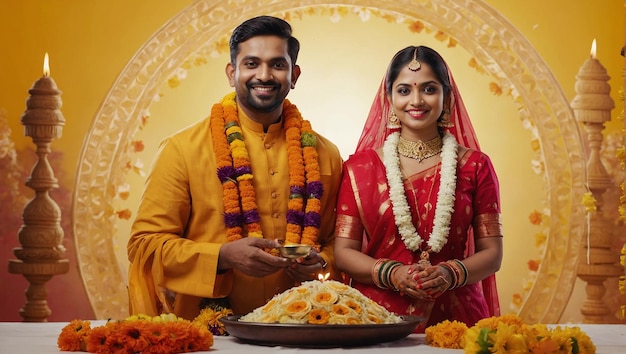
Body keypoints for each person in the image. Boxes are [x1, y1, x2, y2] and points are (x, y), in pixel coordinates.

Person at [127, 15, 343, 320]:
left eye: (277, 65)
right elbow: (144, 246)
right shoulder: (182, 149)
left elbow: (338, 243)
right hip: (210, 335)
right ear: (232, 73)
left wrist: (321, 263)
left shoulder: (325, 154)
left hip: (303, 325)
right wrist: (221, 257)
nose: (264, 75)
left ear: (294, 75)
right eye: (251, 63)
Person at [334, 45, 503, 332]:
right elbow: (344, 252)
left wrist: (451, 273)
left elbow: (492, 253)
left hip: (456, 319)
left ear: (446, 97)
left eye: (428, 89)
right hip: (377, 321)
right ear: (389, 98)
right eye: (404, 90)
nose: (416, 100)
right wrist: (392, 273)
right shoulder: (359, 169)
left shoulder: (475, 166)